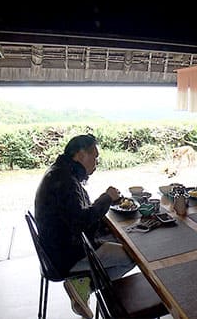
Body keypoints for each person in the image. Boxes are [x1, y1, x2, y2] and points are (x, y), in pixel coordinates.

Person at [34, 134, 135, 317]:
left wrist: (105, 204)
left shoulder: (60, 172)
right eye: (94, 157)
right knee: (132, 255)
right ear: (80, 155)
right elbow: (81, 221)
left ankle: (84, 285)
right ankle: (84, 286)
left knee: (119, 238)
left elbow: (76, 214)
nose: (96, 163)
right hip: (66, 256)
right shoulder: (64, 181)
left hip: (56, 249)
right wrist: (107, 198)